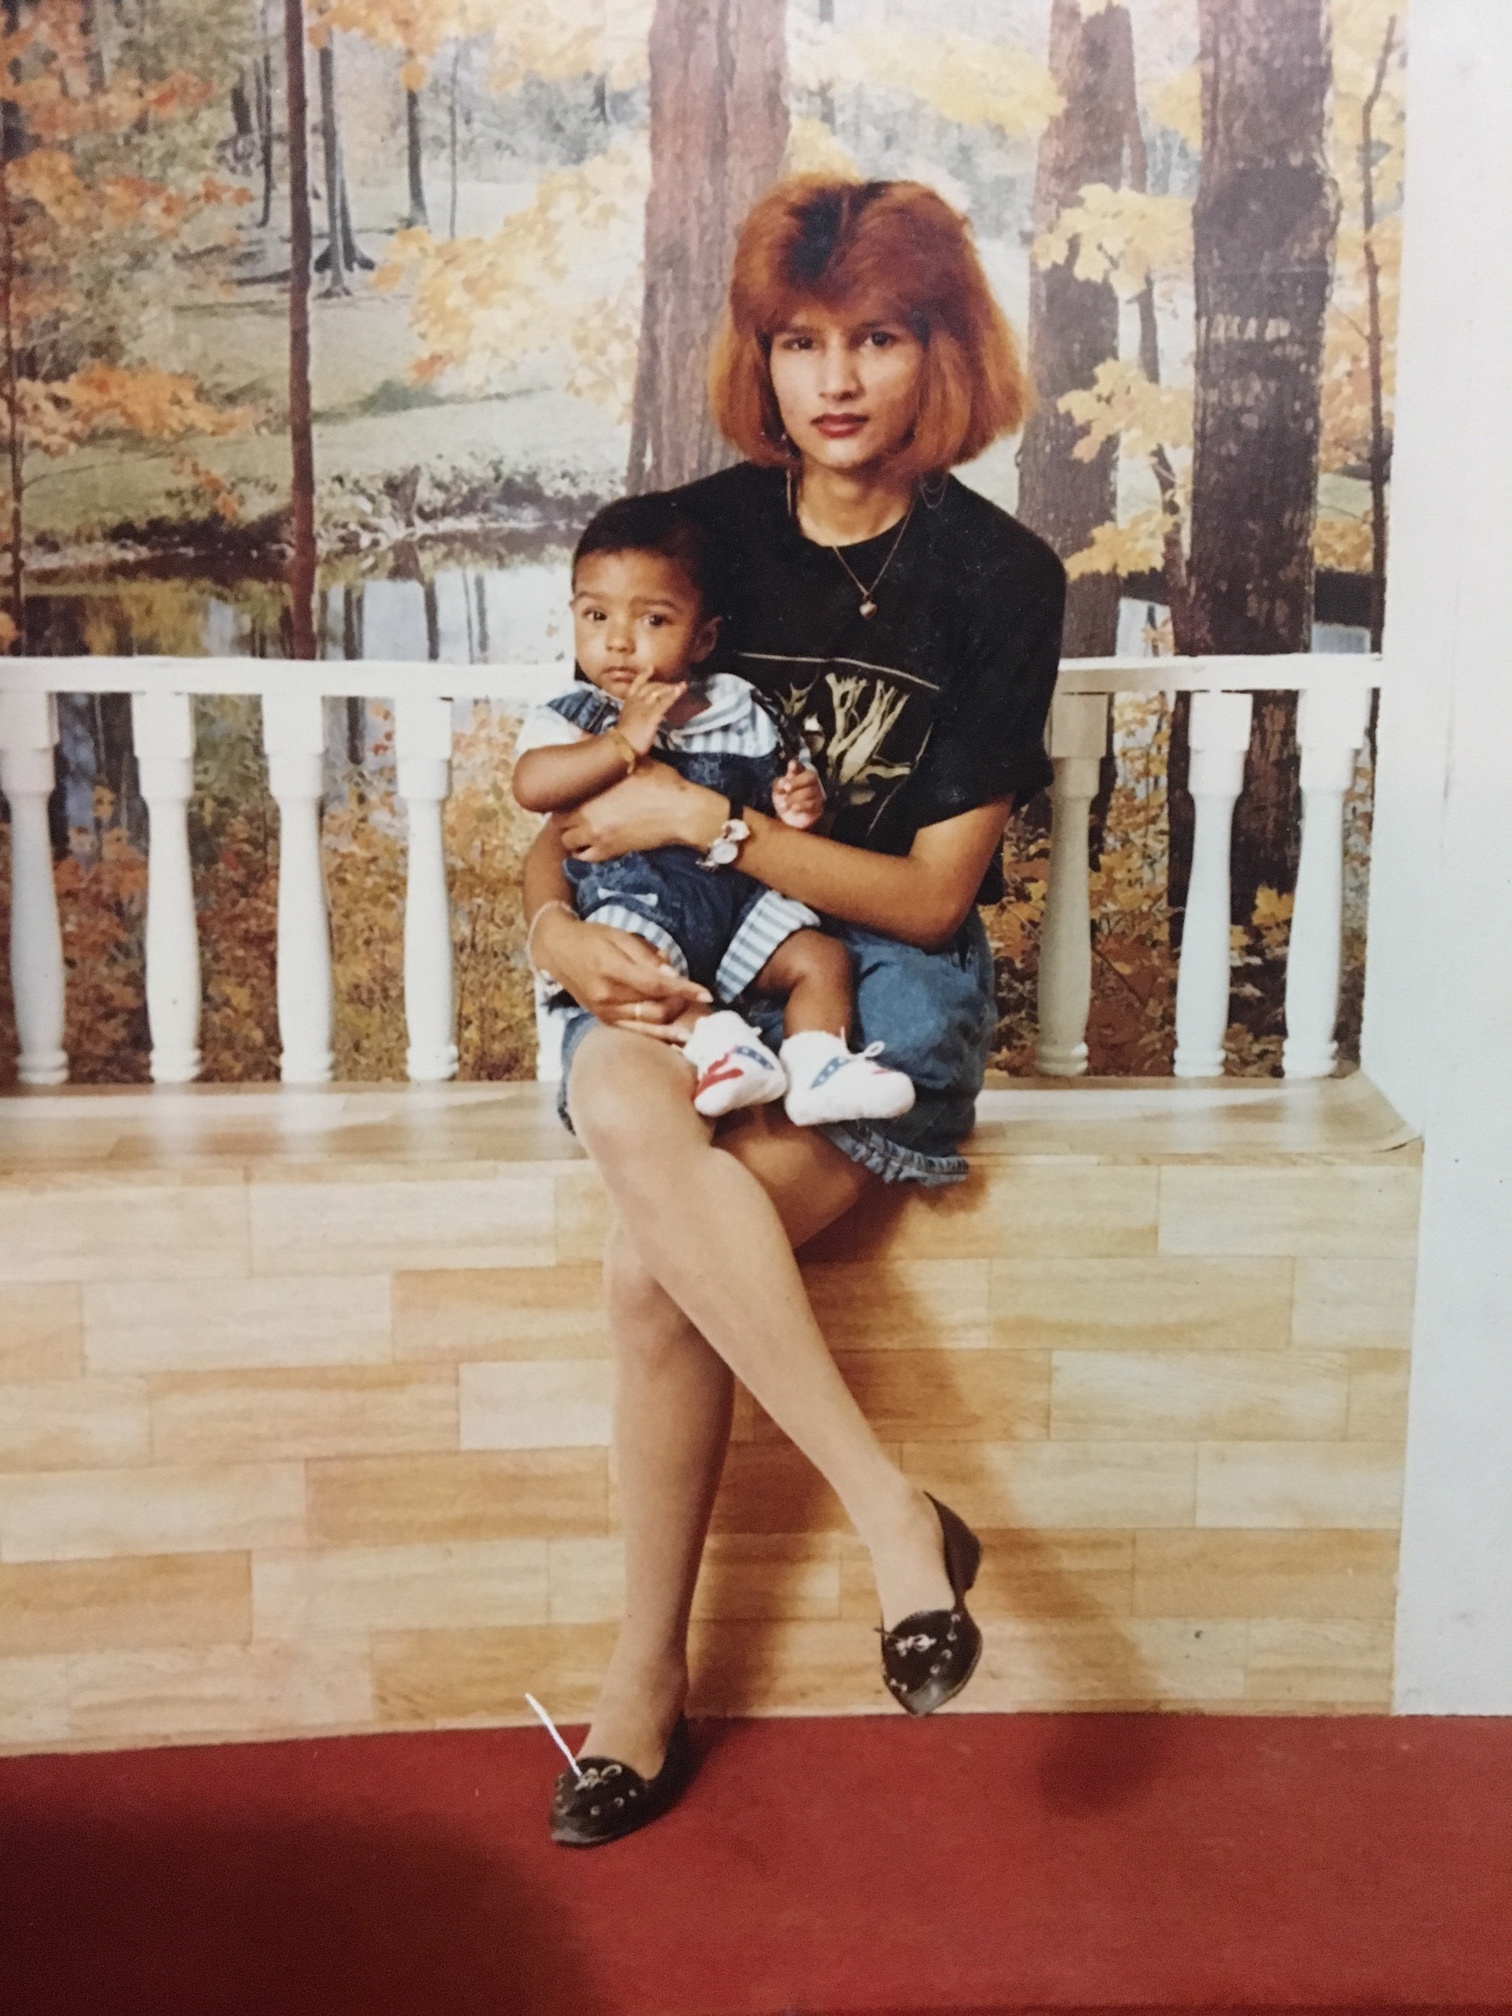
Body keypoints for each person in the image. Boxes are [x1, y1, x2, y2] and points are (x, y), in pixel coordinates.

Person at [522, 175, 1065, 1847]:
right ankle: (895, 1515)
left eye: (879, 338)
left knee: (652, 1267)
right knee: (627, 1111)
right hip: (672, 944)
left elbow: (926, 897)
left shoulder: (999, 576)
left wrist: (715, 825)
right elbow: (560, 800)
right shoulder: (696, 541)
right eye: (799, 340)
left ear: (942, 353)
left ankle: (639, 1684)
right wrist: (557, 939)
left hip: (871, 984)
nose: (834, 380)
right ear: (759, 357)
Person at [513, 493, 917, 1127]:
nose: (619, 642)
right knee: (645, 978)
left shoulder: (738, 706)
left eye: (653, 622)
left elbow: (781, 794)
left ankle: (818, 1063)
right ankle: (720, 1046)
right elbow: (533, 785)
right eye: (596, 616)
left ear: (702, 639)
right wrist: (619, 745)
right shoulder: (577, 716)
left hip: (740, 901)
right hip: (640, 905)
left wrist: (802, 805)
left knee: (821, 958)